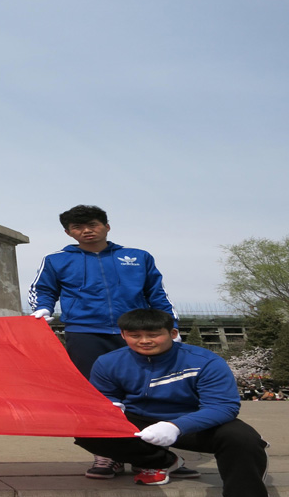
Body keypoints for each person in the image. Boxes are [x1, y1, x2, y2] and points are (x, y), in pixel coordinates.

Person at [28, 204, 198, 479]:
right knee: (95, 394)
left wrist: (171, 327)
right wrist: (43, 308)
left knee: (146, 391)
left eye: (93, 225)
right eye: (77, 227)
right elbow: (43, 289)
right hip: (85, 333)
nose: (86, 231)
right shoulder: (56, 260)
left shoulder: (138, 257)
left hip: (136, 332)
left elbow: (157, 294)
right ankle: (108, 454)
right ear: (68, 233)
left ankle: (151, 454)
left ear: (106, 226)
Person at [74, 308, 271, 497]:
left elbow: (223, 406)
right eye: (135, 335)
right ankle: (162, 462)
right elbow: (106, 398)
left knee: (241, 438)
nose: (144, 341)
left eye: (153, 335)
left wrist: (176, 426)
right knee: (88, 430)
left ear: (173, 333)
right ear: (123, 335)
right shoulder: (108, 362)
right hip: (139, 423)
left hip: (194, 422)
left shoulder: (205, 361)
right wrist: (110, 408)